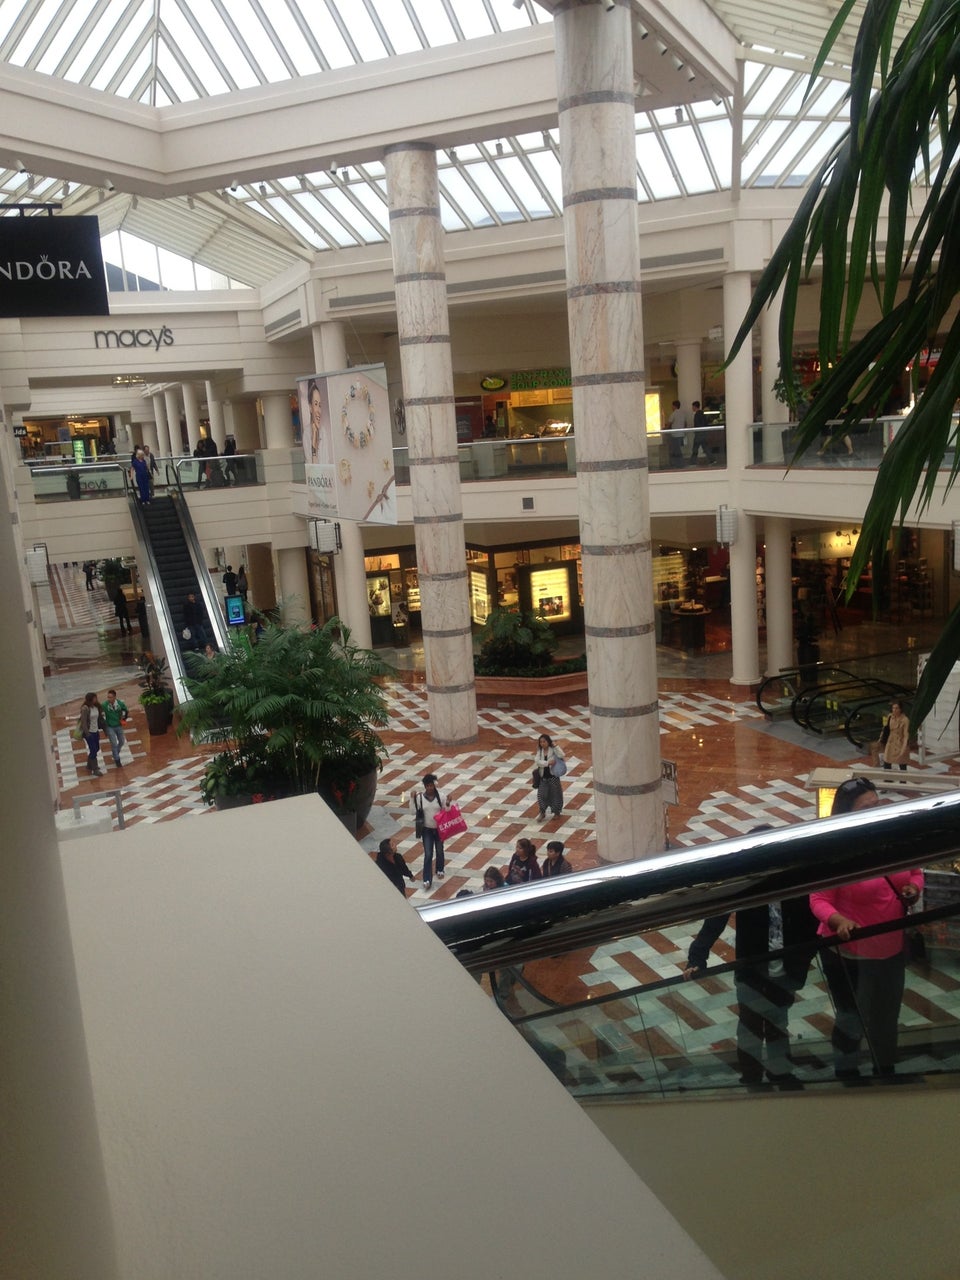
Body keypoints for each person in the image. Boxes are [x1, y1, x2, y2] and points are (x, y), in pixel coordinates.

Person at [684, 825, 819, 1087]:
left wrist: (804, 957)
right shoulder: (745, 883)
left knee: (778, 1022)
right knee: (750, 1026)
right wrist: (697, 958)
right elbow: (717, 917)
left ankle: (780, 1074)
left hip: (786, 968)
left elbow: (809, 921)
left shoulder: (794, 881)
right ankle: (752, 1077)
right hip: (752, 968)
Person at [810, 776, 924, 1080]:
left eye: (877, 804)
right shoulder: (837, 851)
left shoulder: (892, 838)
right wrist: (840, 921)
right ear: (847, 814)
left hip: (891, 949)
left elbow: (915, 871)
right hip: (850, 955)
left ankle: (885, 1069)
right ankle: (847, 1073)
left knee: (887, 1015)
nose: (875, 811)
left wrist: (913, 887)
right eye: (866, 808)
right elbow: (819, 900)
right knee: (852, 1018)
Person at [410, 773, 448, 889]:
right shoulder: (420, 798)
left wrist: (448, 802)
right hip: (426, 830)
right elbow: (413, 811)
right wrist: (412, 798)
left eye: (431, 785)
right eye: (428, 786)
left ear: (434, 785)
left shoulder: (441, 796)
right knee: (428, 854)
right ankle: (427, 878)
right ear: (425, 786)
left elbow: (447, 809)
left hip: (439, 829)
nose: (430, 788)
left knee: (440, 850)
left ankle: (440, 869)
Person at [533, 733, 564, 821]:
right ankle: (542, 812)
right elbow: (537, 761)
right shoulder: (540, 751)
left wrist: (556, 746)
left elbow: (561, 755)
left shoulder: (553, 749)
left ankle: (557, 812)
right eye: (541, 742)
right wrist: (547, 763)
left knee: (556, 795)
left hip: (553, 777)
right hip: (543, 778)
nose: (542, 743)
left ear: (548, 742)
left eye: (544, 741)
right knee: (541, 795)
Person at [101, 688, 129, 768]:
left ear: (115, 697)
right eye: (108, 697)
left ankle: (115, 753)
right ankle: (117, 759)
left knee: (121, 741)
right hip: (110, 726)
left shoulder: (120, 704)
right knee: (114, 743)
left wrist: (124, 718)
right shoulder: (104, 705)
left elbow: (125, 710)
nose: (109, 699)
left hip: (118, 725)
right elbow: (100, 713)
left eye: (111, 697)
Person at [78, 691, 104, 776]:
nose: (96, 699)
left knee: (96, 748)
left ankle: (89, 765)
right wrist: (87, 733)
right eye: (94, 698)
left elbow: (100, 718)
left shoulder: (96, 707)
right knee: (93, 749)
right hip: (89, 733)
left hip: (96, 731)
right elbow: (83, 722)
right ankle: (95, 768)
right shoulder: (85, 709)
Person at [883, 699, 911, 772]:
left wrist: (904, 748)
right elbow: (885, 728)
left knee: (902, 763)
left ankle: (903, 778)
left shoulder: (905, 720)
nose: (894, 710)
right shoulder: (890, 716)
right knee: (886, 761)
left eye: (896, 708)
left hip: (900, 742)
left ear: (900, 709)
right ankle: (888, 777)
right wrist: (881, 739)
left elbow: (906, 735)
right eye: (893, 708)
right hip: (891, 742)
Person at [667, 399, 688, 467]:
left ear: (674, 406)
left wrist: (666, 429)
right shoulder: (683, 413)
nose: (671, 407)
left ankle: (680, 464)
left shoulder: (673, 414)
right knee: (677, 449)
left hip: (675, 435)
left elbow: (669, 424)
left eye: (672, 406)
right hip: (681, 434)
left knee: (676, 450)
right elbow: (685, 424)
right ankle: (677, 463)